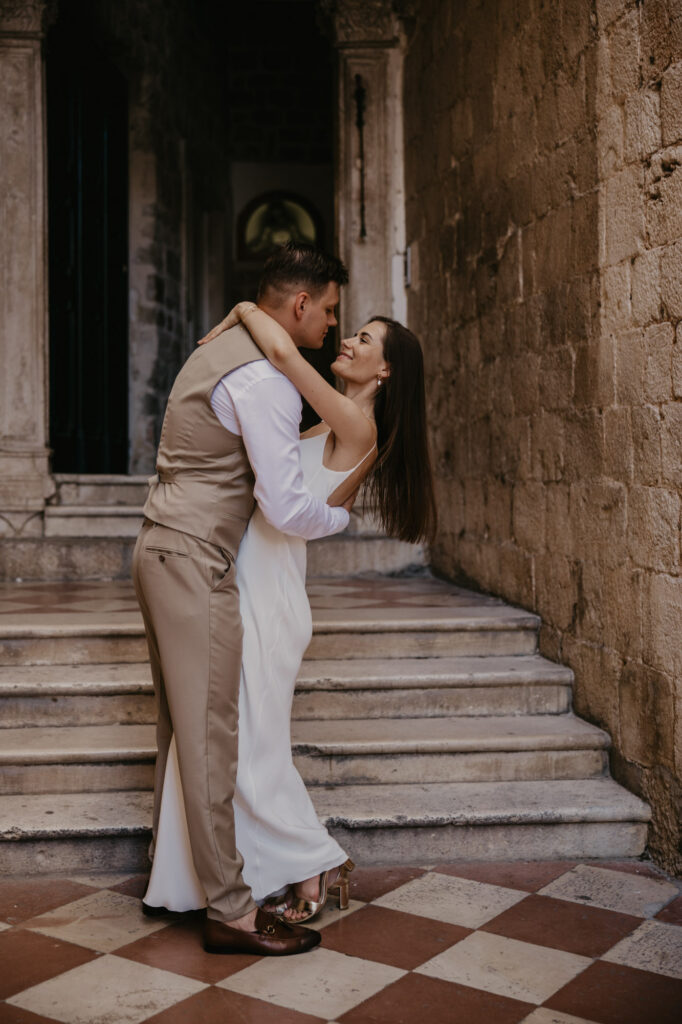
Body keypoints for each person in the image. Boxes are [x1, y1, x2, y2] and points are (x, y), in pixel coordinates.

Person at [143, 263, 437, 926]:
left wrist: (245, 308)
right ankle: (277, 868)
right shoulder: (323, 424)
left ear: (384, 373)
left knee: (249, 745)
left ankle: (311, 860)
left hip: (270, 595)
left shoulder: (355, 426)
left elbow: (280, 349)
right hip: (243, 577)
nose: (348, 340)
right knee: (235, 742)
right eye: (348, 327)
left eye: (365, 340)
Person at [132, 244, 352, 956]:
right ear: (298, 305)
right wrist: (341, 519)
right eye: (327, 310)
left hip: (162, 547)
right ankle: (229, 912)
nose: (329, 327)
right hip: (194, 560)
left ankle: (181, 887)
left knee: (182, 731)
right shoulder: (267, 379)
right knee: (209, 737)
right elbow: (286, 505)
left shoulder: (226, 344)